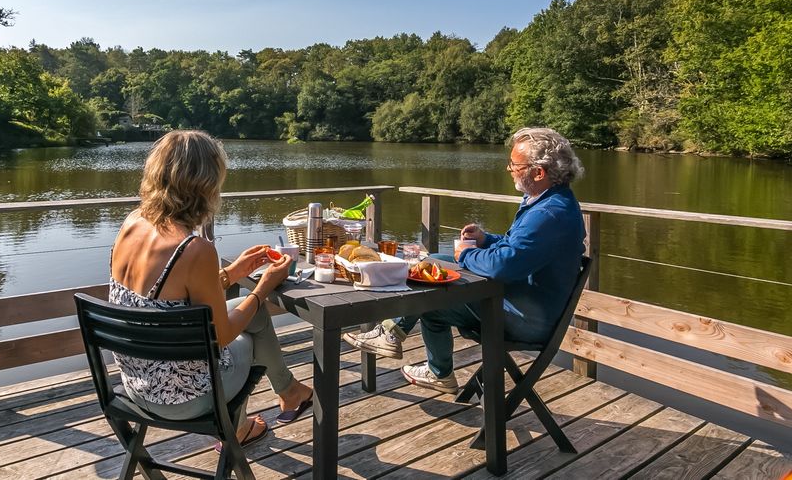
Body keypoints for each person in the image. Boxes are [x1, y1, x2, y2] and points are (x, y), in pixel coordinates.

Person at [110, 130, 313, 448]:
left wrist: (233, 273)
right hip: (185, 399)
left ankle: (289, 393)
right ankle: (250, 419)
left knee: (249, 314)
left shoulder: (132, 222)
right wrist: (262, 289)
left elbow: (166, 300)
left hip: (136, 386)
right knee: (252, 327)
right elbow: (223, 335)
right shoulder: (194, 249)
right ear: (206, 184)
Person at [343, 127, 586, 393]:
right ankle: (405, 345)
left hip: (524, 319)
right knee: (434, 261)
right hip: (517, 302)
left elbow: (505, 266)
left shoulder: (548, 214)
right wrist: (486, 240)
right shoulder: (546, 200)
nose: (509, 170)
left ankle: (420, 357)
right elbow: (517, 248)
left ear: (539, 173)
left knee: (431, 299)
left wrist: (469, 253)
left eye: (515, 164)